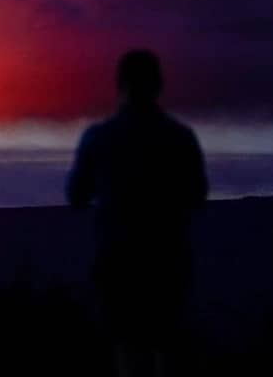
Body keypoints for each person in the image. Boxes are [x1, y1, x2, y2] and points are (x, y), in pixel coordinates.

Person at [67, 49, 207, 376]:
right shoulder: (179, 138)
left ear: (119, 84)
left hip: (119, 261)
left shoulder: (99, 138)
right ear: (159, 84)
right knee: (165, 344)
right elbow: (198, 196)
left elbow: (76, 196)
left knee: (128, 347)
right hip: (167, 259)